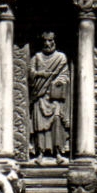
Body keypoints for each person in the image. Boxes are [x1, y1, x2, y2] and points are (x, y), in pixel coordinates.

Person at [28, 31, 71, 159]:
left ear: (54, 41)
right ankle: (40, 151)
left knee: (57, 120)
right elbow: (30, 73)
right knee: (40, 124)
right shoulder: (36, 57)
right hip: (40, 95)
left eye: (50, 40)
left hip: (54, 96)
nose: (47, 43)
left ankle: (58, 151)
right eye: (45, 41)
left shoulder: (61, 57)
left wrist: (59, 81)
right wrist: (41, 74)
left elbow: (65, 75)